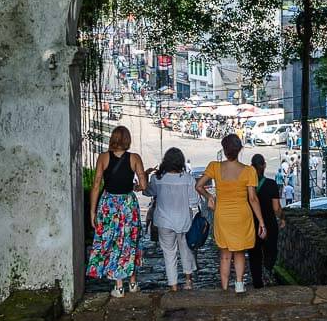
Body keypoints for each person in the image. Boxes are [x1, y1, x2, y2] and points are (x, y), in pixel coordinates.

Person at [197, 134, 266, 293]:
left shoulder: (214, 167)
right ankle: (240, 285)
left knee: (225, 255)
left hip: (223, 216)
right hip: (242, 216)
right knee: (240, 252)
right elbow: (253, 198)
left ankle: (224, 287)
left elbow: (199, 186)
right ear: (240, 150)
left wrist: (210, 197)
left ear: (224, 149)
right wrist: (261, 222)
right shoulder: (249, 171)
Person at [86, 126, 147, 297]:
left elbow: (96, 184)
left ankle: (119, 286)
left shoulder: (103, 158)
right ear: (127, 140)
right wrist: (136, 185)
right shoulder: (134, 158)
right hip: (128, 204)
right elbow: (143, 185)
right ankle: (133, 283)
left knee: (113, 242)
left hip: (109, 205)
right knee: (130, 240)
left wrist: (92, 211)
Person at [147, 147, 200, 291]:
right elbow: (194, 201)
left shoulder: (157, 178)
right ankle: (188, 281)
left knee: (169, 253)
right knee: (186, 249)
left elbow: (148, 191)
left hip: (164, 221)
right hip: (183, 220)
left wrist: (145, 175)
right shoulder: (188, 179)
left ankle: (173, 285)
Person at [249, 154, 284, 287]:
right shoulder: (271, 184)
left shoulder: (248, 186)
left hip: (252, 224)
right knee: (271, 251)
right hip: (269, 224)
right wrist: (282, 217)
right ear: (264, 166)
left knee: (254, 254)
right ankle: (267, 271)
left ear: (252, 167)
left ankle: (257, 282)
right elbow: (276, 208)